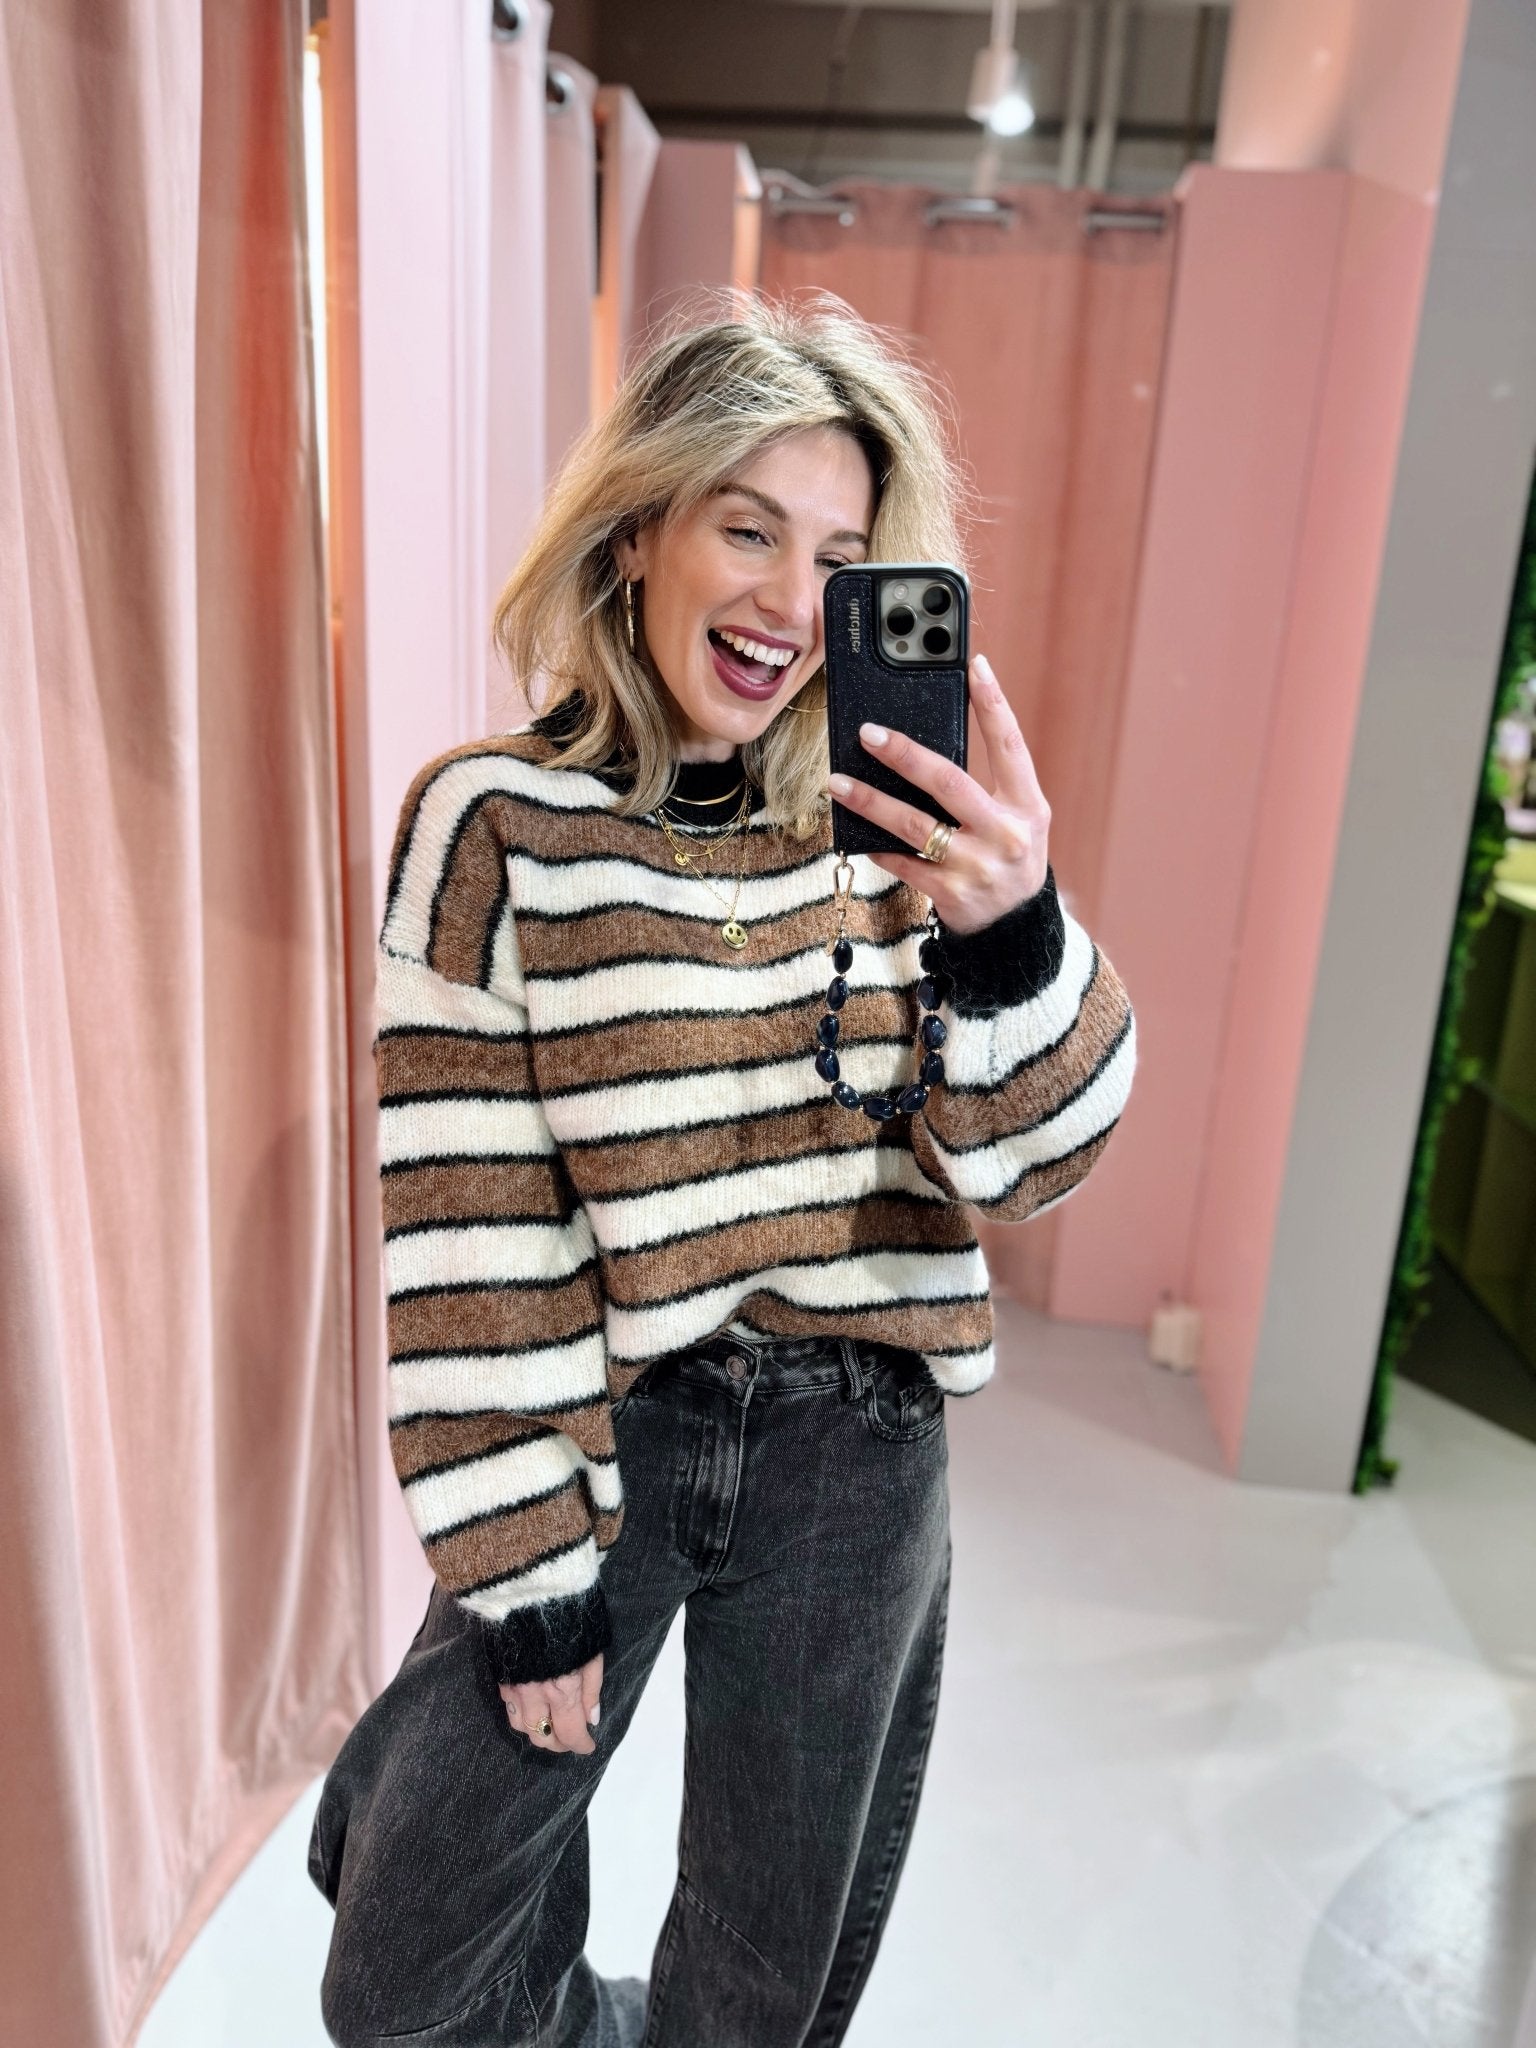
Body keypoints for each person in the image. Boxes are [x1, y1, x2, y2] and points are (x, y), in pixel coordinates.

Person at [307, 291, 1137, 2048]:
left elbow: (1032, 1164)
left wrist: (1013, 929)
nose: (787, 601)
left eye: (838, 558)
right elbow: (470, 1224)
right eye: (747, 529)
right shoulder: (494, 824)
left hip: (860, 1448)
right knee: (405, 1980)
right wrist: (522, 1569)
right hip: (617, 1429)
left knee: (758, 1998)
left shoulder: (898, 828)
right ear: (639, 532)